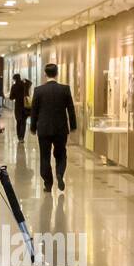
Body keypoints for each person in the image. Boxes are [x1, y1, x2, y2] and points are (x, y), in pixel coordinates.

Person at [29, 62, 77, 192]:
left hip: (44, 128)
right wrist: (73, 125)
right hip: (60, 128)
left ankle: (48, 183)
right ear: (57, 73)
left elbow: (34, 111)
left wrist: (33, 127)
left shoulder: (38, 90)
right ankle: (60, 173)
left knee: (45, 156)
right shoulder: (65, 89)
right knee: (61, 154)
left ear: (45, 74)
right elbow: (71, 109)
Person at [10, 73, 30, 141]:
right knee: (23, 122)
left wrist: (16, 96)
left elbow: (11, 97)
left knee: (18, 122)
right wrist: (24, 80)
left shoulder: (14, 86)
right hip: (25, 106)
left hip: (18, 106)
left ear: (14, 79)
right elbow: (30, 82)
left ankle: (19, 136)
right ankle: (22, 137)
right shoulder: (25, 85)